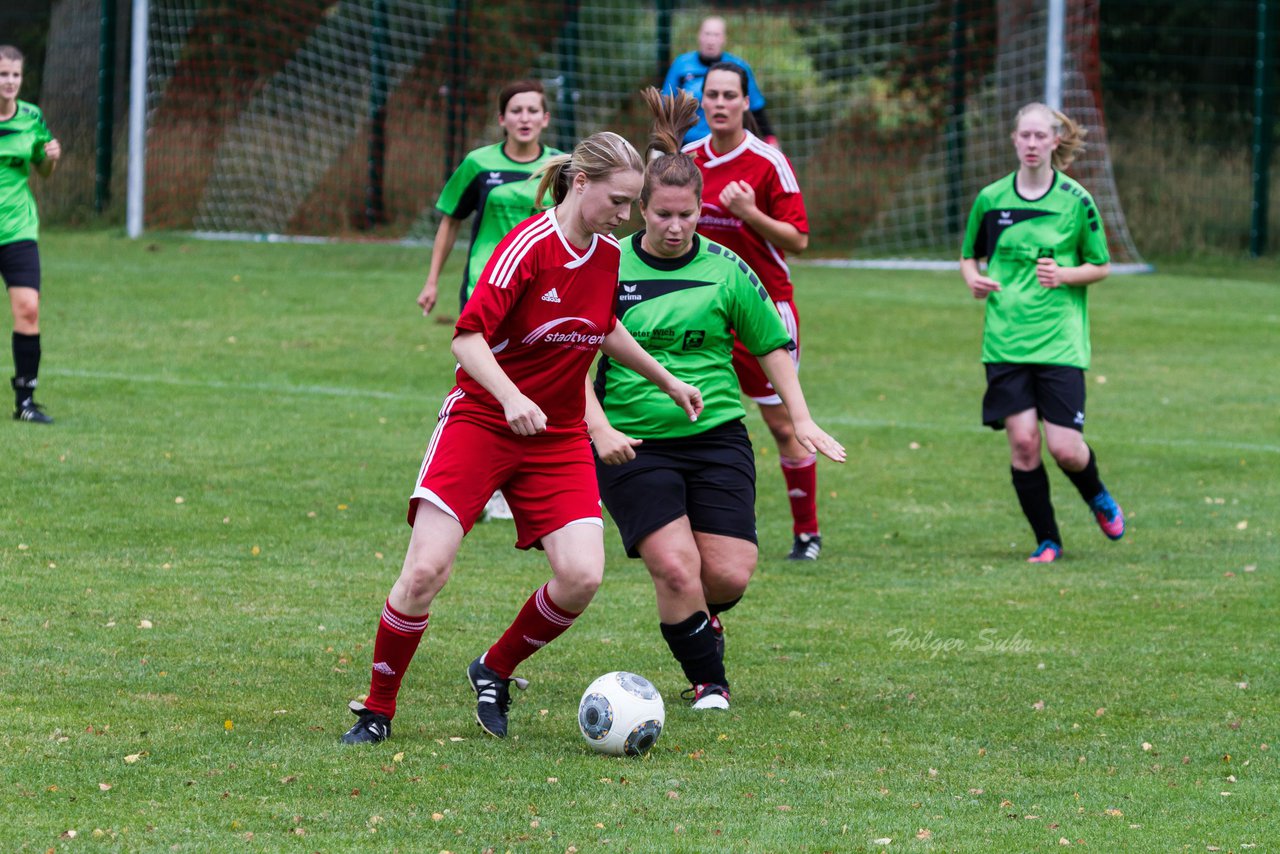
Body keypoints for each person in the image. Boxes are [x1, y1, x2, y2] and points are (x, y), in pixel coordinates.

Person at [342, 131, 703, 745]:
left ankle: (494, 670)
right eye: (619, 201)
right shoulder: (528, 247)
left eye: (632, 202)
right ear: (581, 183)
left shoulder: (609, 256)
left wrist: (667, 379)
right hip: (482, 421)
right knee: (427, 569)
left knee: (583, 576)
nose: (626, 216)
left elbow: (602, 325)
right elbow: (466, 338)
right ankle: (377, 710)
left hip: (557, 436)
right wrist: (511, 398)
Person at [586, 87, 844, 710]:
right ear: (640, 209)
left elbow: (771, 344)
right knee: (675, 568)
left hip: (717, 437)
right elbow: (569, 356)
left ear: (701, 209)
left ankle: (698, 617)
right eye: (661, 215)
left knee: (725, 574)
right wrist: (596, 428)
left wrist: (801, 417)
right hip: (634, 441)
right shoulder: (605, 267)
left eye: (687, 215)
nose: (675, 228)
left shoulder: (727, 269)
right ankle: (710, 681)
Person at [960, 102, 1126, 563]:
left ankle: (1097, 495)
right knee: (1025, 444)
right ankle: (1047, 539)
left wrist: (1066, 276)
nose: (1032, 144)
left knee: (1066, 449)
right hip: (1005, 339)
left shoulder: (1077, 201)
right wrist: (972, 278)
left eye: (1040, 136)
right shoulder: (991, 199)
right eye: (1025, 136)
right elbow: (969, 254)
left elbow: (1102, 265)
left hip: (1060, 342)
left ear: (1056, 141)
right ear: (1014, 140)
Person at [684, 62, 820, 561]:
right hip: (700, 311)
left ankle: (807, 533)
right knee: (692, 417)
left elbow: (799, 240)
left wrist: (750, 215)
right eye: (711, 96)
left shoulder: (768, 162)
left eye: (729, 96)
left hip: (764, 310)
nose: (719, 104)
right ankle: (697, 527)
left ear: (746, 103)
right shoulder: (687, 159)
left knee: (784, 426)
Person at [417, 80, 560, 521]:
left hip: (541, 292)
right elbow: (450, 222)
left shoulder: (560, 167)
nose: (524, 118)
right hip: (487, 287)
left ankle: (524, 479)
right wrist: (432, 281)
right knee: (482, 379)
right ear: (501, 119)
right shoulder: (478, 164)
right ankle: (476, 478)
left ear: (545, 118)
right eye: (515, 110)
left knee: (537, 376)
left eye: (532, 110)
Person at [0, 45, 61, 425]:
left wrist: (50, 157)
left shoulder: (32, 117)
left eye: (15, 75)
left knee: (28, 309)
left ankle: (25, 401)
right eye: (3, 74)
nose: (9, 82)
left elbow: (42, 169)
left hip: (18, 229)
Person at [662, 16, 776, 147]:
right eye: (707, 34)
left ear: (724, 39)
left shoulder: (739, 67)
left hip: (730, 144)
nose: (711, 40)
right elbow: (666, 107)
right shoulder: (681, 64)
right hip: (687, 144)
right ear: (699, 36)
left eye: (716, 35)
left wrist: (770, 138)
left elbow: (756, 108)